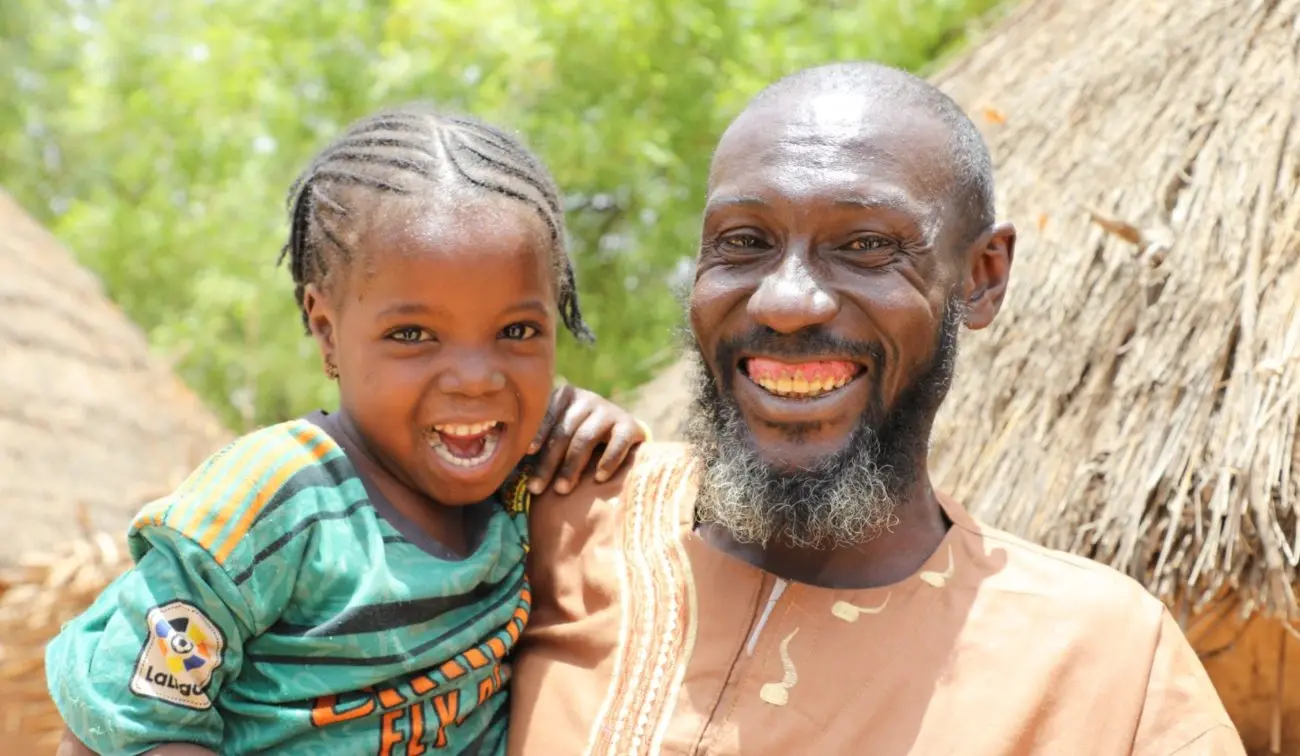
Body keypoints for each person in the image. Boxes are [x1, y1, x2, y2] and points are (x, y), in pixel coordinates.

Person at [509, 62, 1245, 755]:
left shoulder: (1103, 662)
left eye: (864, 245)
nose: (787, 301)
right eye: (744, 242)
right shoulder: (554, 514)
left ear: (982, 278)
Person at [46, 104, 649, 756]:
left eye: (517, 332)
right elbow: (122, 716)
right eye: (414, 335)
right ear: (328, 332)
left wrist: (596, 428)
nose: (477, 378)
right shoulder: (273, 500)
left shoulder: (526, 486)